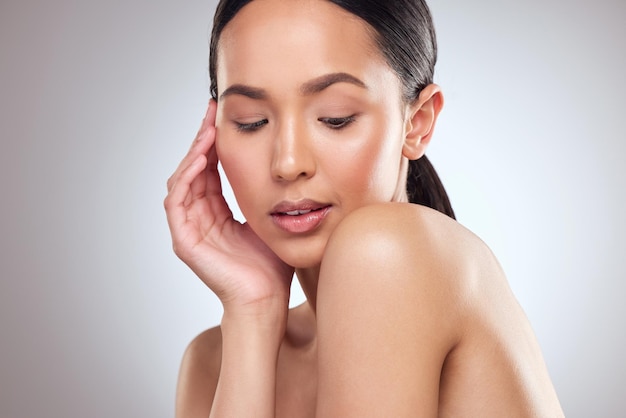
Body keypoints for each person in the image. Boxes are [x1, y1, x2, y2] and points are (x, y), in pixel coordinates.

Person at [164, 0, 564, 416]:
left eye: (335, 118)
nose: (287, 163)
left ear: (418, 121)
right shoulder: (212, 360)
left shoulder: (383, 250)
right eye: (251, 121)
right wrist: (253, 312)